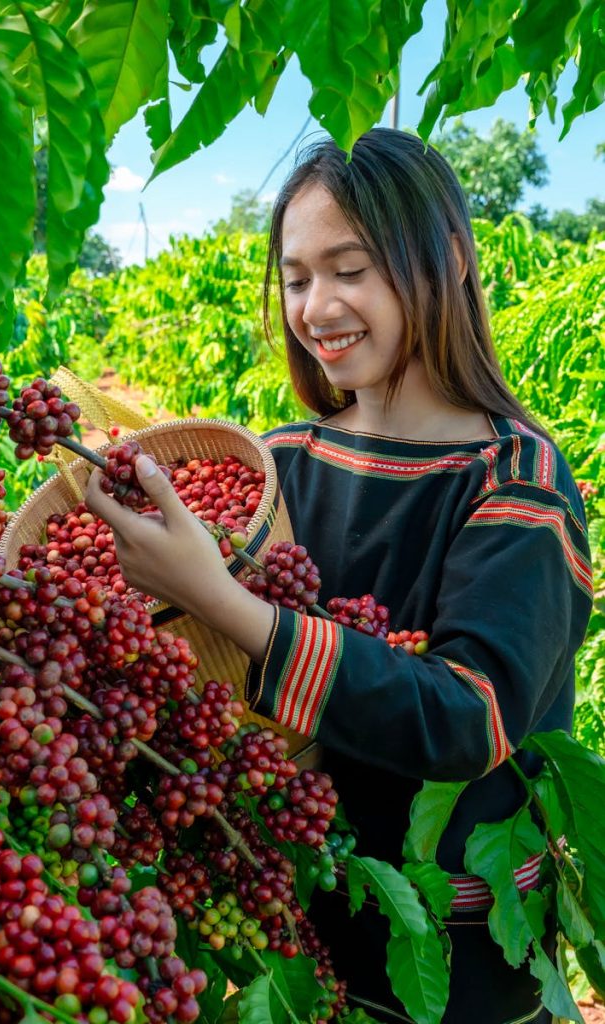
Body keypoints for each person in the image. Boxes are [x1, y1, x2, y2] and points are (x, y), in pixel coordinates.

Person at [85, 128, 593, 1024]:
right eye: (294, 278)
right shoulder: (278, 465)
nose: (316, 306)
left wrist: (222, 602)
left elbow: (467, 714)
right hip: (295, 933)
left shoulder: (515, 481)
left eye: (349, 269)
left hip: (455, 960)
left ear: (451, 261)